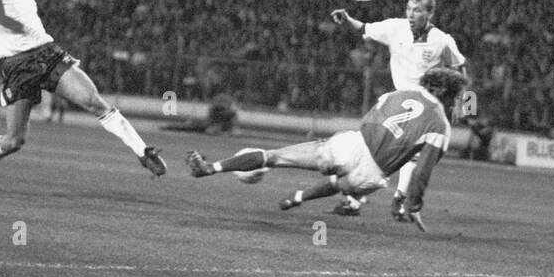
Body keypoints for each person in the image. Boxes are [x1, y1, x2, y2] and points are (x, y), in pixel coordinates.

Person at [0, 0, 166, 189]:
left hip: (47, 55)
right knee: (14, 141)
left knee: (94, 101)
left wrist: (0, 40)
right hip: (18, 68)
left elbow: (20, 21)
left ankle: (143, 152)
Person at [187, 67, 467, 232]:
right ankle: (313, 197)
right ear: (445, 93)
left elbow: (371, 116)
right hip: (372, 173)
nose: (457, 101)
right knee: (342, 184)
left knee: (275, 157)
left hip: (352, 144)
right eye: (456, 95)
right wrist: (413, 206)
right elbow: (421, 172)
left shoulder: (399, 93)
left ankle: (210, 168)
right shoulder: (441, 125)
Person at [329, 0, 466, 217]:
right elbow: (365, 28)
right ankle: (388, 201)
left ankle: (381, 200)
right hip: (398, 102)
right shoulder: (395, 28)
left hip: (423, 109)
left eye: (417, 10)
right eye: (409, 9)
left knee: (399, 155)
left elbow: (460, 69)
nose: (411, 15)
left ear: (429, 14)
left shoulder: (442, 41)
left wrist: (464, 104)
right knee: (378, 152)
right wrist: (347, 19)